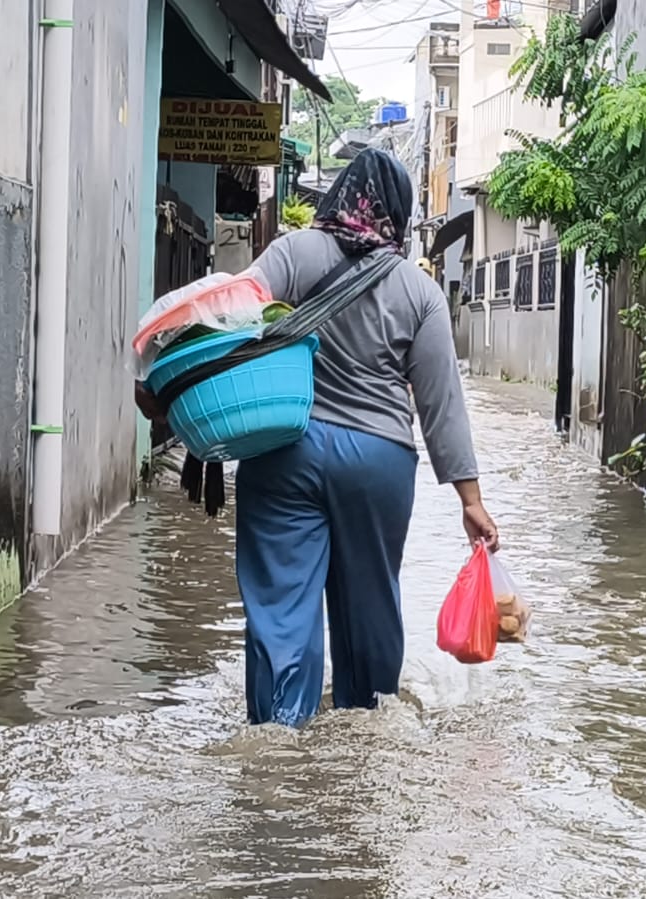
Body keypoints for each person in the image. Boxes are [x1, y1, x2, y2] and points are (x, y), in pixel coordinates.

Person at [136, 148, 496, 727]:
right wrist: (470, 501)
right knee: (370, 606)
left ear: (340, 196)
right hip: (378, 462)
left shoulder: (295, 252)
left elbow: (229, 319)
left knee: (281, 606)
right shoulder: (420, 292)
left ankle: (280, 733)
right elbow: (441, 404)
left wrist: (168, 382)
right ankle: (370, 720)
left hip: (284, 448)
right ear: (399, 213)